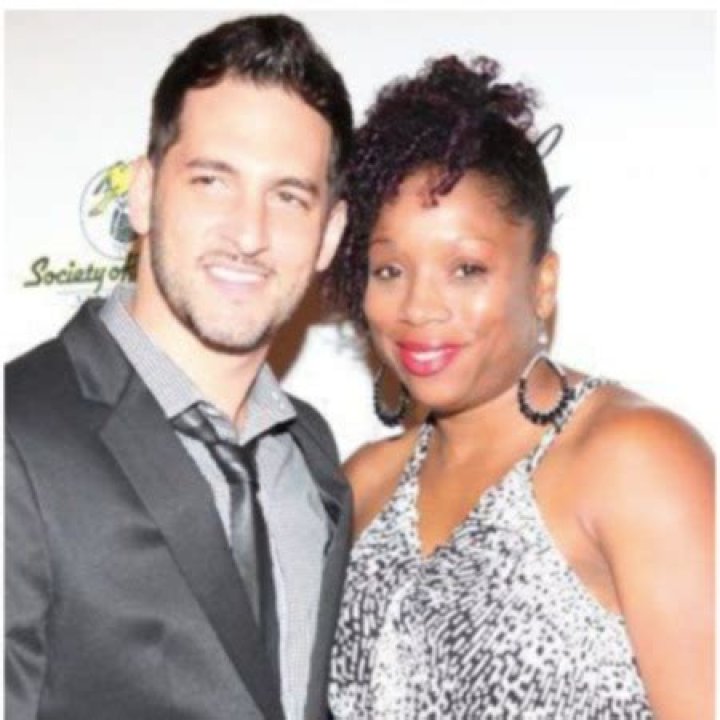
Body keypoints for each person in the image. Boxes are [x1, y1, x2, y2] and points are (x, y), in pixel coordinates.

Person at [325, 55, 714, 719]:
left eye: (466, 269)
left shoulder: (634, 459)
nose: (419, 307)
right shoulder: (363, 485)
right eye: (389, 270)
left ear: (542, 283)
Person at [5, 14, 353, 720]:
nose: (249, 233)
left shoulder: (310, 454)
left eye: (289, 196)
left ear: (330, 235)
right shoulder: (16, 436)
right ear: (142, 193)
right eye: (212, 181)